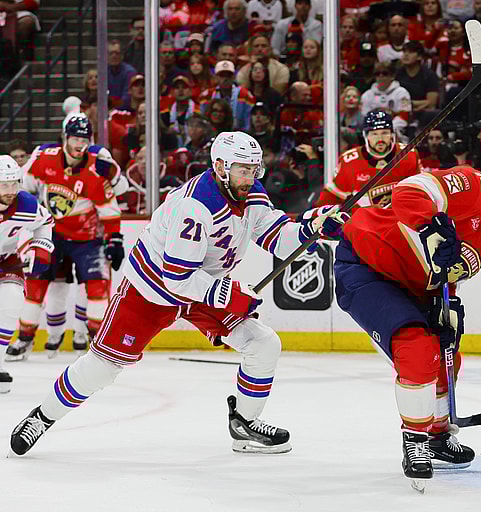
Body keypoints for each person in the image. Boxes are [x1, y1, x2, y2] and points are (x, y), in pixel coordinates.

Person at [8, 131, 348, 457]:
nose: (251, 176)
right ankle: (42, 417)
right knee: (102, 367)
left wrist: (312, 228)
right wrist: (229, 295)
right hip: (151, 289)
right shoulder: (196, 207)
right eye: (244, 169)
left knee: (263, 343)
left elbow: (276, 236)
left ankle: (244, 424)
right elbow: (177, 278)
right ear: (220, 168)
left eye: (254, 169)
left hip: (202, 285)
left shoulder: (250, 192)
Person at [333, 150, 481, 486]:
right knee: (417, 349)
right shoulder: (470, 183)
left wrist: (445, 308)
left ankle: (436, 435)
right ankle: (415, 441)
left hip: (412, 283)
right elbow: (409, 192)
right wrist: (431, 225)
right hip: (367, 264)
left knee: (447, 354)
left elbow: (447, 274)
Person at [4, 115, 124, 362]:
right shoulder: (45, 160)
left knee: (98, 288)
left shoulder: (96, 168)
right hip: (53, 234)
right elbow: (22, 189)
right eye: (75, 138)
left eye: (85, 139)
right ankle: (25, 337)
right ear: (65, 138)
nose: (80, 144)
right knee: (36, 282)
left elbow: (109, 207)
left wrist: (114, 240)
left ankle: (97, 341)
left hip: (88, 239)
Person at [0, 155, 54, 391]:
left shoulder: (26, 204)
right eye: (4, 184)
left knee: (12, 301)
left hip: (7, 260)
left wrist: (42, 247)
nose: (10, 190)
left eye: (14, 183)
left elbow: (46, 222)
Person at [314, 110, 422, 208]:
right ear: (366, 136)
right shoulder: (349, 161)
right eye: (374, 134)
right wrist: (315, 215)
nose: (380, 139)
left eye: (384, 133)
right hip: (365, 224)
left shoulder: (408, 155)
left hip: (400, 220)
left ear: (392, 134)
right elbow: (332, 197)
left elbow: (420, 191)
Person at [361, 61, 411, 140]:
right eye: (377, 74)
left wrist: (387, 129)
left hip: (396, 132)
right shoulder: (367, 95)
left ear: (392, 76)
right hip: (372, 132)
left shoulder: (402, 93)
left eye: (385, 73)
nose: (381, 76)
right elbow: (365, 117)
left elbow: (404, 117)